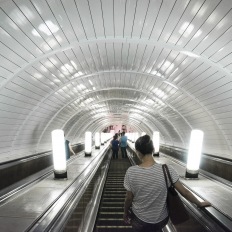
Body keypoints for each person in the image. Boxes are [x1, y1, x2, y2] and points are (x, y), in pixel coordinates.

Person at [123, 134, 211, 232]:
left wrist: (125, 212)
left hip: (140, 219)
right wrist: (199, 203)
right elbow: (184, 192)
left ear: (138, 152)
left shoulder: (131, 171)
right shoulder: (167, 169)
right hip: (161, 220)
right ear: (153, 149)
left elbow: (129, 198)